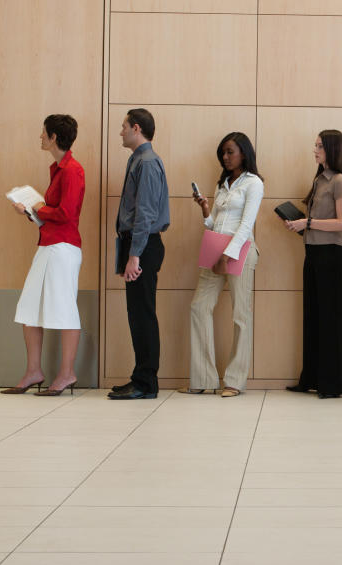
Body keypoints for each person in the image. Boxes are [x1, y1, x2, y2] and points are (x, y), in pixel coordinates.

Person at [4, 114, 85, 396]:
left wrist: (38, 206)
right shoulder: (58, 169)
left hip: (62, 248)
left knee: (64, 309)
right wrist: (31, 211)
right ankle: (34, 371)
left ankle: (67, 374)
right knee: (29, 307)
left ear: (53, 137)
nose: (40, 137)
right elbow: (51, 215)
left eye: (43, 133)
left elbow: (66, 213)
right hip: (49, 245)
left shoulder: (73, 170)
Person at [181, 132, 263, 398]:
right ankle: (204, 379)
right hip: (216, 247)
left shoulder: (254, 183)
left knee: (241, 314)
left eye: (230, 152)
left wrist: (229, 253)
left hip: (240, 249)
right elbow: (214, 224)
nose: (225, 158)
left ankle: (235, 381)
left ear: (244, 153)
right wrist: (206, 208)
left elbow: (246, 224)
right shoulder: (223, 184)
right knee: (199, 307)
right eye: (223, 153)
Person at [283, 130, 342, 399]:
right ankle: (311, 378)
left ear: (333, 149)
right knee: (312, 316)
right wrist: (299, 223)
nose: (315, 150)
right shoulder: (319, 181)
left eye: (320, 146)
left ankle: (332, 384)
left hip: (331, 255)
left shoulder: (340, 181)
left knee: (330, 319)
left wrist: (308, 223)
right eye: (314, 145)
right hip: (312, 252)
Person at [109, 108, 170, 400]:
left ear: (136, 128)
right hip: (138, 245)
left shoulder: (146, 162)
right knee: (137, 314)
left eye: (123, 127)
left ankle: (146, 383)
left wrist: (135, 256)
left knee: (143, 315)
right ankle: (141, 378)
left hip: (143, 246)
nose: (120, 131)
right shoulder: (139, 159)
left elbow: (145, 213)